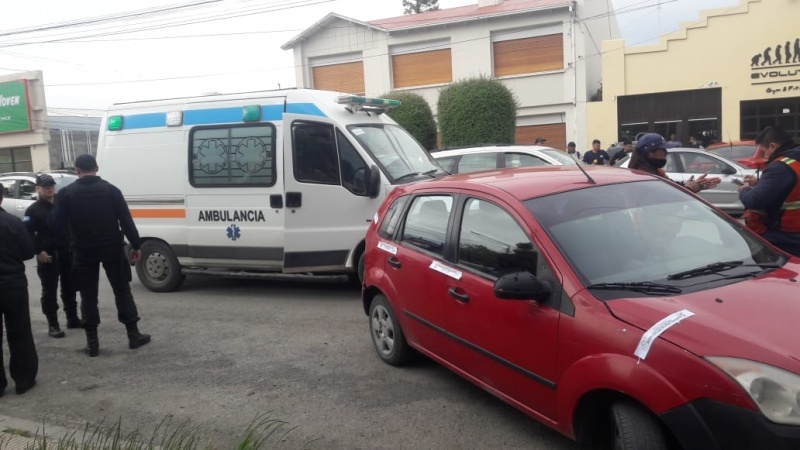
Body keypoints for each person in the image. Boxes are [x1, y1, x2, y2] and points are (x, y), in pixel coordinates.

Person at [51, 154, 151, 357]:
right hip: (112, 248)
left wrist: (67, 245)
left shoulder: (66, 194)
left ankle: (93, 343)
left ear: (77, 170)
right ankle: (133, 335)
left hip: (82, 250)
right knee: (122, 290)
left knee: (88, 296)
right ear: (96, 168)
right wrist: (136, 245)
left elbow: (56, 225)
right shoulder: (111, 190)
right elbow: (126, 220)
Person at [24, 174, 83, 338]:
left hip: (67, 252)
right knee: (50, 291)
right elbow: (27, 233)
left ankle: (72, 318)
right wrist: (38, 251)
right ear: (38, 188)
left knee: (70, 287)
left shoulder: (62, 204)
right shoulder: (33, 210)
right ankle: (53, 325)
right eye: (45, 186)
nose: (49, 188)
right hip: (48, 255)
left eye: (51, 185)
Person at [0, 183, 38, 396]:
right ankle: (24, 379)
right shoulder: (12, 222)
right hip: (13, 284)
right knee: (20, 332)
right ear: (2, 197)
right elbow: (27, 252)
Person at [738, 125, 800, 256]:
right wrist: (761, 183)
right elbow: (792, 186)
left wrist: (744, 189)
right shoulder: (796, 160)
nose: (764, 156)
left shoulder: (781, 166)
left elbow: (753, 200)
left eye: (763, 151)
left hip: (787, 236)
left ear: (772, 146)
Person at [629, 133, 720, 194]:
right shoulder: (641, 178)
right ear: (650, 152)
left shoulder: (657, 172)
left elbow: (671, 187)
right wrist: (688, 189)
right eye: (662, 149)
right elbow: (661, 198)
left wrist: (694, 185)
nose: (666, 153)